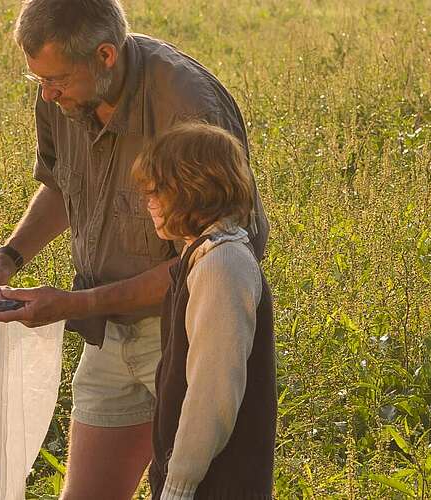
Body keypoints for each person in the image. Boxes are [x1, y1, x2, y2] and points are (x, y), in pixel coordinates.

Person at [0, 0, 269, 497]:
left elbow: (214, 257)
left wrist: (73, 305)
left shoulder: (187, 104)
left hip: (185, 330)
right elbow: (63, 185)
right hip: (106, 331)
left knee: (195, 482)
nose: (47, 93)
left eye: (57, 79)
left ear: (105, 55)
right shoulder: (60, 95)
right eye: (37, 80)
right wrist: (8, 257)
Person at [133, 123, 275, 499]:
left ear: (192, 190)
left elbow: (213, 389)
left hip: (219, 484)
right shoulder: (202, 255)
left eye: (157, 189)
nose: (148, 199)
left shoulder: (223, 265)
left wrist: (179, 484)